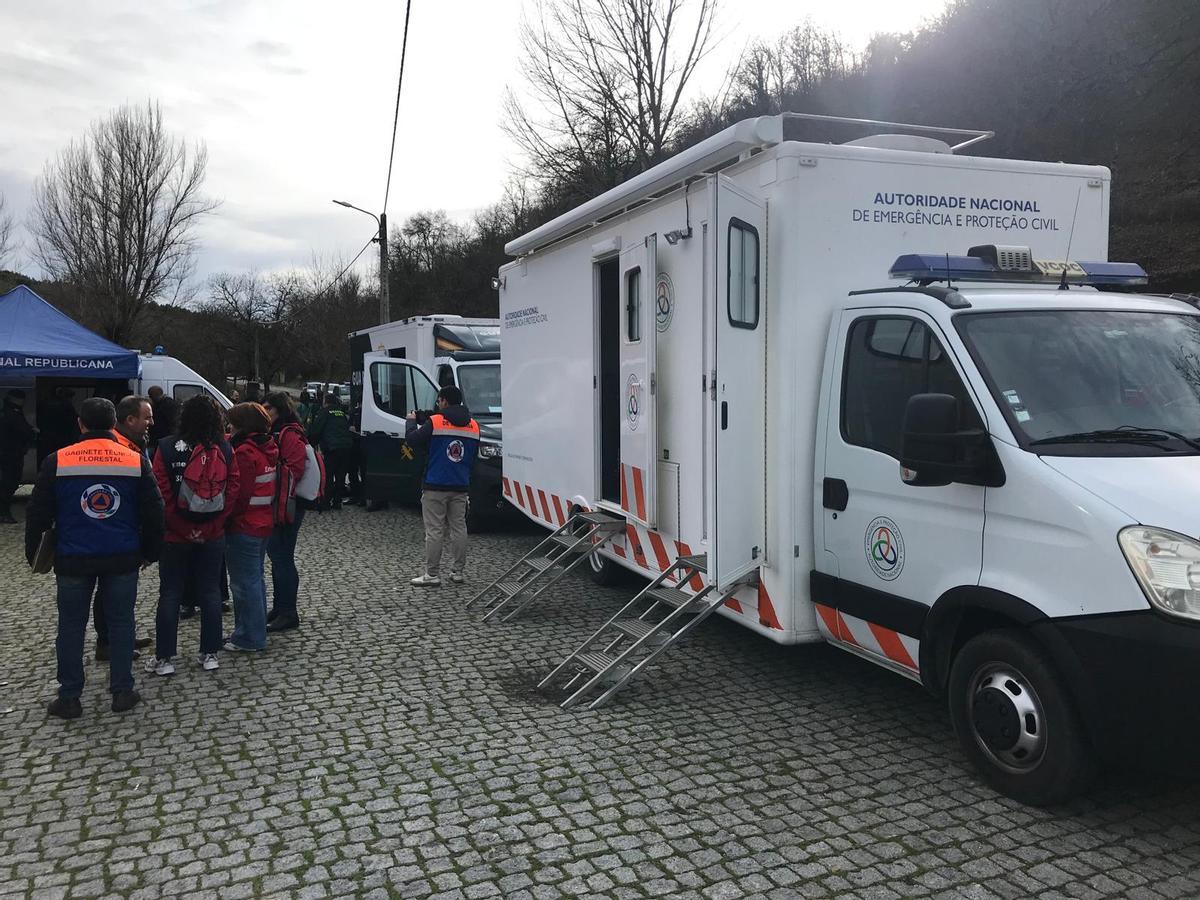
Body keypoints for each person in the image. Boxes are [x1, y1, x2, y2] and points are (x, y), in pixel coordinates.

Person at [26, 398, 164, 718]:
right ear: (114, 422)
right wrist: (150, 553)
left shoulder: (57, 460)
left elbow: (37, 513)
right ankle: (122, 691)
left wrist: (34, 553)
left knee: (71, 627)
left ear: (81, 424)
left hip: (73, 557)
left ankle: (70, 697)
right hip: (122, 556)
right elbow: (155, 512)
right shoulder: (134, 460)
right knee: (121, 623)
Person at [148, 395, 239, 675]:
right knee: (211, 592)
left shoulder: (165, 447)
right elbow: (233, 490)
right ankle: (209, 652)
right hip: (212, 534)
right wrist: (211, 527)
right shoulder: (224, 448)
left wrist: (181, 528)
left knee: (171, 593)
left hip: (175, 536)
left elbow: (160, 494)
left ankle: (164, 658)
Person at [92, 395, 157, 662]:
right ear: (130, 420)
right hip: (117, 532)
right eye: (147, 417)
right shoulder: (118, 447)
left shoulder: (134, 443)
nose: (151, 422)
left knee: (121, 592)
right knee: (109, 589)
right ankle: (107, 642)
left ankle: (121, 636)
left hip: (130, 531)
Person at [405, 385, 480, 586]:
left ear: (444, 401)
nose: (438, 404)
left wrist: (411, 421)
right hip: (461, 484)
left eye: (439, 401)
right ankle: (458, 572)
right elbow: (473, 458)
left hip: (435, 485)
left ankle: (432, 574)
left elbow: (412, 439)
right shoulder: (474, 425)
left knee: (435, 531)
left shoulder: (436, 422)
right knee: (459, 528)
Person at [223, 403, 278, 652]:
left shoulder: (245, 452)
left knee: (244, 584)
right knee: (255, 580)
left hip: (244, 525)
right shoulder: (268, 447)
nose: (229, 427)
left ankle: (250, 637)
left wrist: (225, 518)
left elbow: (240, 494)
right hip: (263, 521)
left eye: (232, 423)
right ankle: (250, 630)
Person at [263, 392, 308, 632]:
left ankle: (289, 611)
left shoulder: (289, 433)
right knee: (279, 558)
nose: (265, 412)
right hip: (281, 502)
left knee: (282, 558)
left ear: (280, 410)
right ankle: (281, 607)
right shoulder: (280, 431)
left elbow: (293, 469)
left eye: (269, 408)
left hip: (288, 504)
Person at [308, 392, 353, 510]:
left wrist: (310, 443)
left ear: (326, 402)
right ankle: (337, 502)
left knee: (328, 475)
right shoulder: (341, 413)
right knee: (340, 475)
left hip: (332, 448)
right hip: (346, 447)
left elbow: (316, 430)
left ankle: (326, 502)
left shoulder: (324, 412)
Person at [0, 390, 36, 524]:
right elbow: (23, 430)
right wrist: (32, 432)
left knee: (8, 481)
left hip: (8, 452)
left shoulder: (7, 411)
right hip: (12, 453)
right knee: (9, 482)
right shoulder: (13, 413)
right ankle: (3, 512)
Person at [147, 386, 179, 453]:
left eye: (150, 396)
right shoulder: (171, 403)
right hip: (167, 439)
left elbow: (156, 423)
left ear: (154, 396)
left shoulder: (162, 407)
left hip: (159, 439)